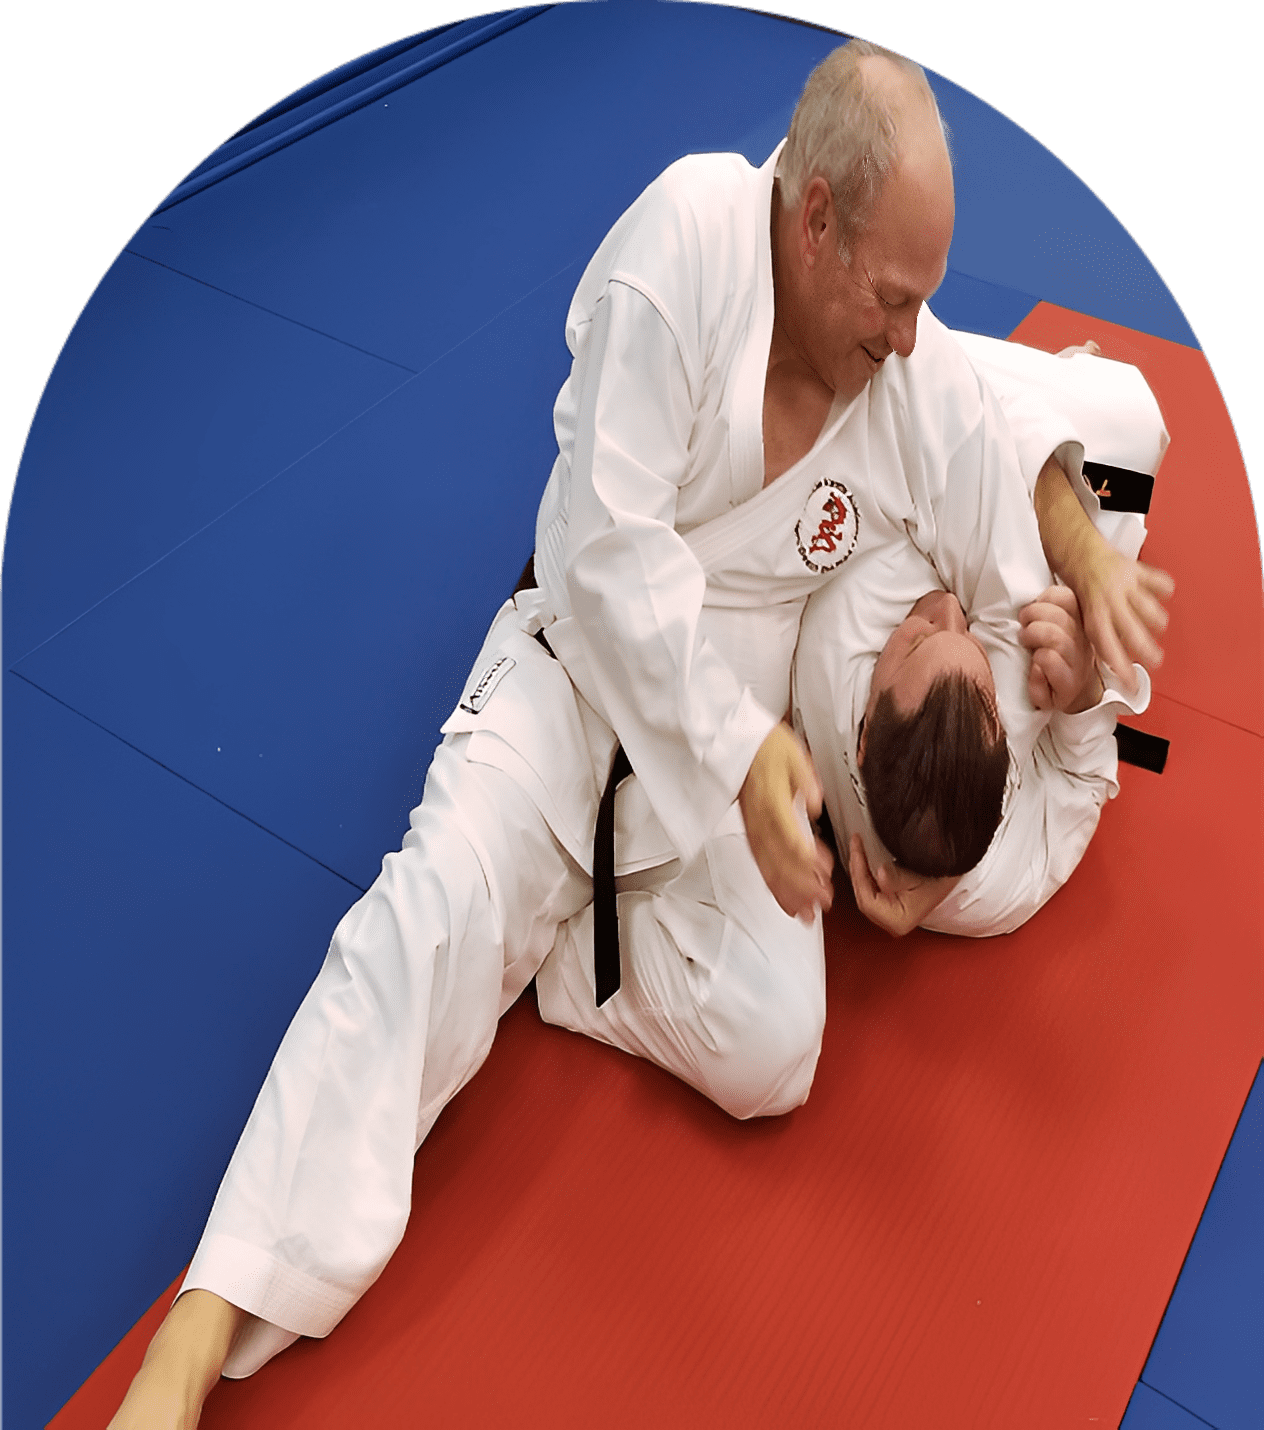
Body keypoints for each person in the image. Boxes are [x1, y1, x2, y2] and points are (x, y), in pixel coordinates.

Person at [109, 41, 1168, 1429]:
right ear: (812, 218)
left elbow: (990, 435)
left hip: (744, 746)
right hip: (586, 670)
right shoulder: (685, 244)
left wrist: (1084, 561)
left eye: (928, 302)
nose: (913, 334)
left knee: (779, 1051)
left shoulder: (900, 366)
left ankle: (549, 948)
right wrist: (738, 749)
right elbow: (607, 552)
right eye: (895, 296)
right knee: (432, 909)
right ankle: (195, 1333)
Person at [793, 335, 1172, 937]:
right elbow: (1081, 782)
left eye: (914, 642)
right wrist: (1078, 698)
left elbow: (955, 440)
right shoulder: (990, 891)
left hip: (943, 453)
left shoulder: (835, 634)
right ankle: (1058, 392)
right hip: (978, 514)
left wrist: (1086, 562)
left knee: (1124, 437)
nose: (947, 612)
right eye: (991, 682)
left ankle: (1053, 390)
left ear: (864, 733)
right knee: (1136, 452)